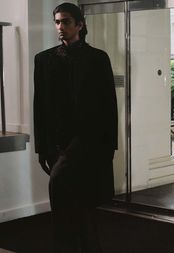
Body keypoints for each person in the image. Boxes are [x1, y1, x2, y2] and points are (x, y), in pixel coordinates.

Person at [33, 2, 117, 252]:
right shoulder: (44, 59)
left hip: (87, 143)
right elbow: (40, 107)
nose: (60, 27)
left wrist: (109, 148)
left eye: (66, 21)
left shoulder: (98, 58)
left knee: (77, 200)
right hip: (56, 144)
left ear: (80, 24)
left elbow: (109, 106)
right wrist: (41, 148)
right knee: (70, 206)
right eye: (57, 22)